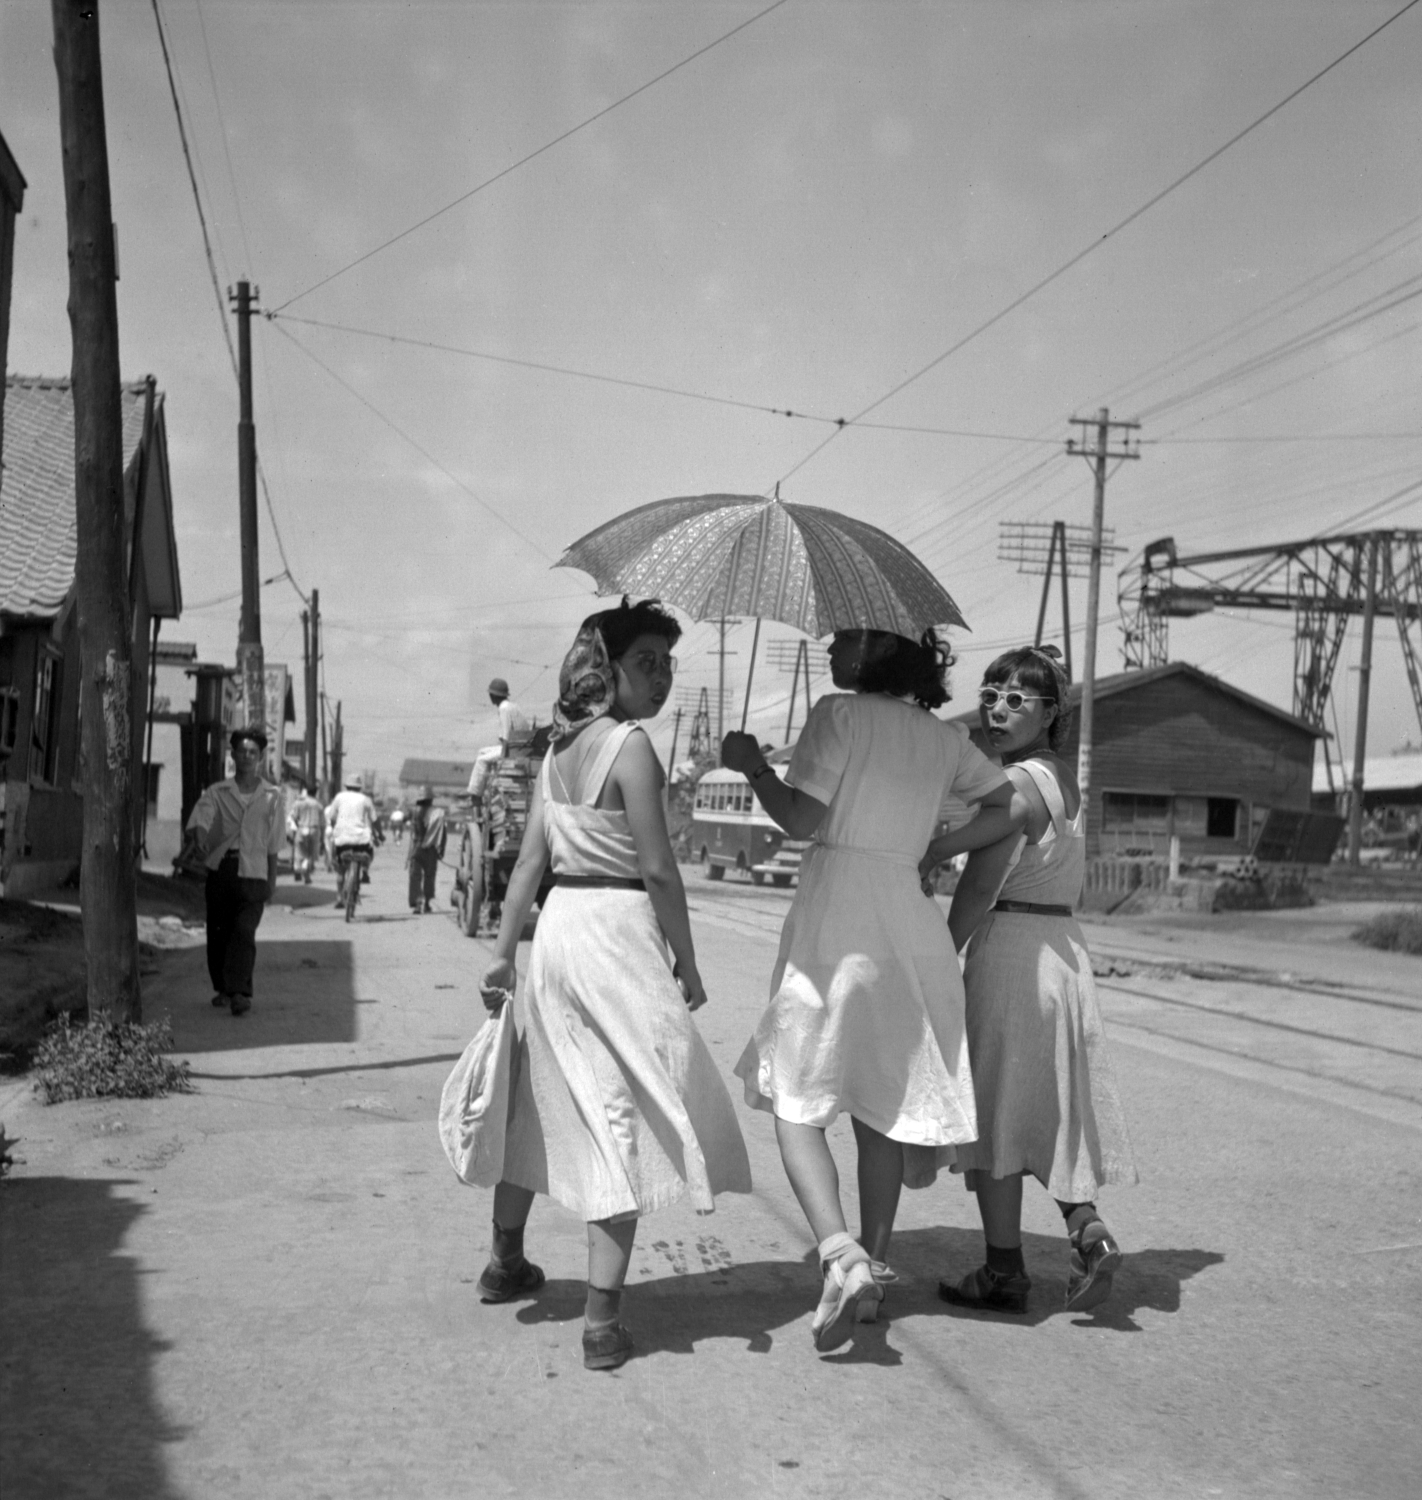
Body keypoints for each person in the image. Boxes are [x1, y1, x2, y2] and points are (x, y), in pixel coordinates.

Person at [477, 599, 750, 1372]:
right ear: (608, 667)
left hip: (560, 930)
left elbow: (530, 864)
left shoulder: (558, 752)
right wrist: (688, 962)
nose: (660, 679)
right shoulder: (633, 749)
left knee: (541, 1099)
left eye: (667, 665)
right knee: (620, 1111)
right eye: (646, 664)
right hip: (617, 932)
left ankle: (505, 1262)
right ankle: (601, 1322)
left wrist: (504, 954)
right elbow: (660, 870)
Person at [723, 628, 1014, 1352]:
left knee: (798, 1103)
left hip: (839, 926)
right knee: (880, 1108)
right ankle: (874, 1273)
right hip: (909, 929)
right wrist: (933, 848)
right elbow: (1007, 805)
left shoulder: (840, 714)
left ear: (877, 653)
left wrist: (754, 766)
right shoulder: (943, 739)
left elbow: (801, 820)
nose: (832, 646)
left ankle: (840, 1254)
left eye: (847, 638)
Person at [920, 645, 1137, 1315]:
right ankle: (1087, 1232)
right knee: (1042, 1107)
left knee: (994, 1115)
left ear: (1052, 714)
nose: (998, 706)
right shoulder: (1061, 779)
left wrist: (936, 969)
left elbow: (978, 890)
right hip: (1061, 950)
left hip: (1012, 949)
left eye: (1019, 699)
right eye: (991, 692)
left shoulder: (1016, 786)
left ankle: (1005, 1271)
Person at [183, 727, 287, 1016]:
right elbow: (202, 818)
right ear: (233, 755)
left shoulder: (272, 796)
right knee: (218, 931)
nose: (247, 756)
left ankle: (240, 991)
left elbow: (275, 842)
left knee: (244, 932)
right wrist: (202, 836)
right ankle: (223, 988)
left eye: (253, 752)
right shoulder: (217, 792)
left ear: (261, 757)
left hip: (255, 871)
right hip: (223, 869)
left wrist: (272, 881)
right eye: (242, 751)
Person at [325, 775, 379, 906]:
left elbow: (331, 817)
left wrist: (335, 827)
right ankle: (363, 875)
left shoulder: (339, 797)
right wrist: (380, 835)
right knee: (364, 856)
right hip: (361, 840)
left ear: (346, 786)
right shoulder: (366, 799)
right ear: (359, 787)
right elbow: (375, 819)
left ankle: (339, 897)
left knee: (340, 870)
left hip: (341, 840)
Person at [407, 787, 446, 913]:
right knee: (430, 876)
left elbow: (413, 833)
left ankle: (418, 903)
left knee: (415, 876)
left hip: (417, 848)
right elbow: (443, 834)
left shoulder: (414, 812)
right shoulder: (438, 813)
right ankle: (427, 903)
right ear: (430, 799)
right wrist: (441, 850)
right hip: (431, 850)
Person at [286, 782, 324, 884]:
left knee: (299, 851)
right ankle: (306, 874)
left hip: (301, 828)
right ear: (316, 793)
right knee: (311, 854)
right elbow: (322, 822)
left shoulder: (299, 803)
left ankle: (298, 869)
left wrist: (292, 829)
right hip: (314, 830)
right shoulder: (319, 805)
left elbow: (293, 817)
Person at [488, 677, 534, 754]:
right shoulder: (513, 706)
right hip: (521, 746)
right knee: (482, 752)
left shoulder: (504, 708)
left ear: (494, 695)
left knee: (480, 760)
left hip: (512, 749)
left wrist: (502, 758)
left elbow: (506, 735)